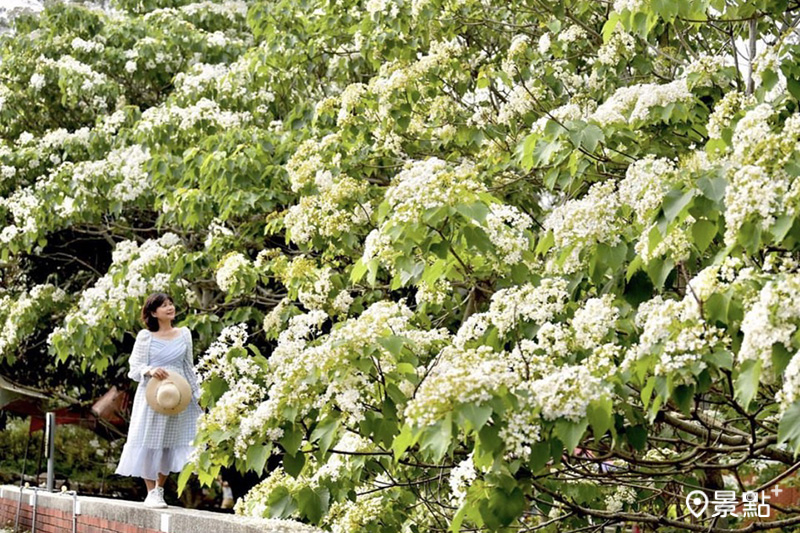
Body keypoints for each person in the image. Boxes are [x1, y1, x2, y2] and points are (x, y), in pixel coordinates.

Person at [115, 292, 202, 508]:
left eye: (171, 303)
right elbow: (134, 368)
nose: (170, 308)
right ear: (154, 313)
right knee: (148, 441)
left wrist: (198, 395)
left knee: (168, 443)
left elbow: (188, 368)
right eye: (164, 305)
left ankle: (159, 490)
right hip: (153, 395)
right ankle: (150, 491)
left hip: (177, 394)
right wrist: (150, 370)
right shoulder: (146, 337)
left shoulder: (184, 334)